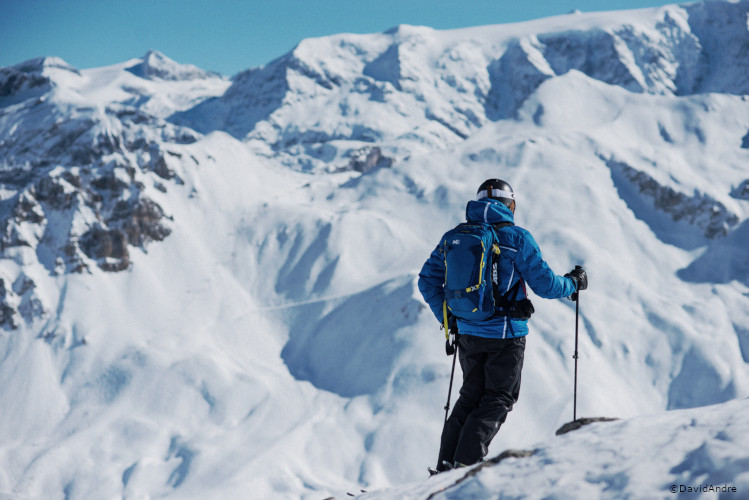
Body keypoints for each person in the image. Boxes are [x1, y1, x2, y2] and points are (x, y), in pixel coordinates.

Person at [417, 178, 587, 472]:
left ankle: (444, 467)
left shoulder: (453, 237)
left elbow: (427, 281)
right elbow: (546, 285)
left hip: (467, 333)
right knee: (497, 398)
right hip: (506, 335)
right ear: (511, 205)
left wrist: (449, 319)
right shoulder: (517, 238)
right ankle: (464, 466)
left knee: (469, 397)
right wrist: (573, 283)